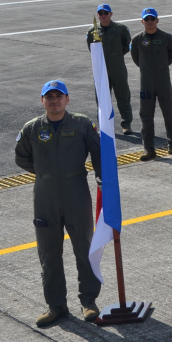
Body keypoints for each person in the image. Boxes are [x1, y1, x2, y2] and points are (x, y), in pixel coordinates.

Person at [15, 80, 103, 327]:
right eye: (50, 97)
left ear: (67, 99)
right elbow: (21, 157)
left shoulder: (82, 124)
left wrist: (102, 180)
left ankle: (88, 301)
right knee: (49, 252)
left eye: (59, 96)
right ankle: (56, 306)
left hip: (76, 191)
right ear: (42, 100)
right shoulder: (32, 128)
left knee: (84, 247)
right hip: (45, 195)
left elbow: (98, 153)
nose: (54, 101)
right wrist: (46, 173)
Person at [130, 7, 172, 160]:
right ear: (142, 21)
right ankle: (148, 149)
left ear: (157, 20)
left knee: (169, 114)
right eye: (147, 19)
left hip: (163, 80)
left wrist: (160, 66)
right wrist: (147, 68)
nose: (150, 21)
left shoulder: (167, 38)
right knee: (146, 116)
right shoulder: (137, 39)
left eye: (152, 18)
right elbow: (136, 57)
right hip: (146, 82)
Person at [89, 3, 133, 135]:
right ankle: (104, 124)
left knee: (123, 96)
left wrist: (115, 55)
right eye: (100, 13)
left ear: (111, 14)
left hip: (117, 67)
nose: (103, 15)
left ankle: (126, 124)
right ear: (98, 15)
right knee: (101, 98)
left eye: (105, 13)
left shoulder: (121, 29)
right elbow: (91, 48)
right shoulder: (92, 31)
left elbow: (126, 46)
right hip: (101, 69)